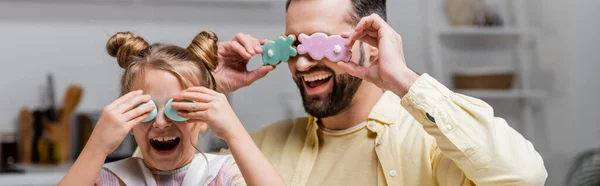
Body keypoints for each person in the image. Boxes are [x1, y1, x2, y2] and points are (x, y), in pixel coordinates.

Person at [211, 0, 548, 185]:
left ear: (371, 44)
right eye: (294, 44)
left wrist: (402, 79)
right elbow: (173, 173)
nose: (301, 65)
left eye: (322, 43)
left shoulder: (431, 146)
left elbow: (524, 176)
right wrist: (209, 84)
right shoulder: (259, 146)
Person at [59, 30, 285, 186]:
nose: (160, 122)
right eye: (144, 110)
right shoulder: (110, 178)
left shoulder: (223, 174)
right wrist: (96, 147)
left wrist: (234, 132)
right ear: (126, 119)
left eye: (180, 108)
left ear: (205, 118)